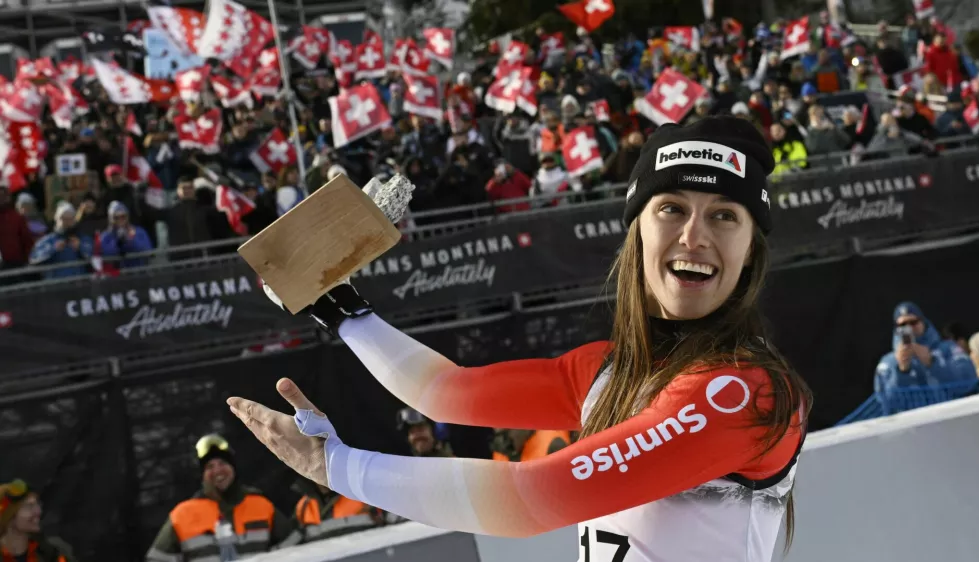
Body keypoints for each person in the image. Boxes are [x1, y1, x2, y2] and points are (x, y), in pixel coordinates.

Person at [231, 116, 812, 561]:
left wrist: (338, 467)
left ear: (751, 250)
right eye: (671, 208)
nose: (693, 235)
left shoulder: (744, 392)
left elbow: (534, 498)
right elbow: (446, 393)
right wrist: (341, 310)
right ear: (637, 232)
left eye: (724, 216)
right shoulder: (607, 371)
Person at [145, 434, 301, 562]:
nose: (218, 470)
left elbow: (296, 550)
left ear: (232, 467)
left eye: (222, 462)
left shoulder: (261, 505)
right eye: (209, 467)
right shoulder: (182, 515)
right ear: (203, 475)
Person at [874, 302, 979, 414]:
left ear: (923, 322)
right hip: (913, 424)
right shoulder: (888, 362)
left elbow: (969, 381)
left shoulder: (948, 348)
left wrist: (933, 364)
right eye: (903, 325)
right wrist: (901, 371)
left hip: (950, 415)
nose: (909, 328)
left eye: (913, 322)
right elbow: (885, 404)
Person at [0, 480, 77, 562]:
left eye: (37, 504)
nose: (38, 511)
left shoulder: (51, 550)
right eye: (29, 506)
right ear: (8, 515)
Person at [29, 201, 93, 279]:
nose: (67, 222)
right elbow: (34, 258)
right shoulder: (48, 241)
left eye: (70, 219)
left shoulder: (83, 239)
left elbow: (95, 257)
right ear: (57, 219)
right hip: (56, 285)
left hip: (79, 283)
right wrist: (53, 249)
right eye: (63, 219)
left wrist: (80, 247)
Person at [100, 201, 154, 269]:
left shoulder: (139, 231)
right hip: (116, 275)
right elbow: (105, 256)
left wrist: (131, 241)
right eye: (116, 217)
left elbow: (148, 250)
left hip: (138, 272)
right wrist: (118, 243)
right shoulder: (105, 236)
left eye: (123, 216)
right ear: (111, 219)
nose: (120, 220)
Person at [491, 429, 570, 462]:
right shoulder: (502, 450)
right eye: (498, 434)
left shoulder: (554, 445)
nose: (504, 441)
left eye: (506, 432)